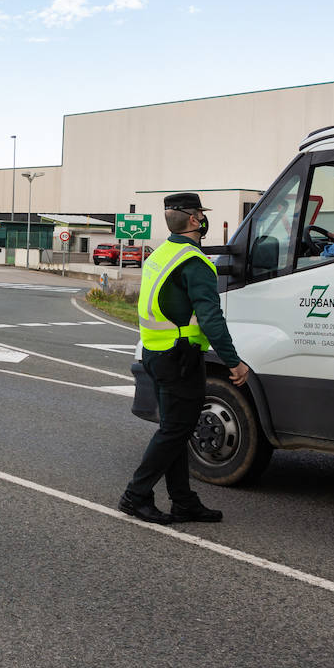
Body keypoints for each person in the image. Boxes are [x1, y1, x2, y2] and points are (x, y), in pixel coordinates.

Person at [118, 193, 250, 525]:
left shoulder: (161, 254)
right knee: (175, 430)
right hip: (180, 358)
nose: (204, 220)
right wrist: (233, 361)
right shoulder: (194, 262)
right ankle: (135, 496)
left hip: (154, 351)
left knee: (176, 428)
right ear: (195, 220)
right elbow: (210, 318)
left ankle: (183, 501)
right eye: (202, 215)